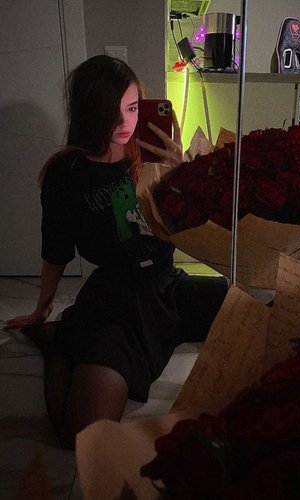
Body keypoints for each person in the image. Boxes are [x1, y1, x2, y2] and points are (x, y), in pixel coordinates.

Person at [4, 55, 228, 450]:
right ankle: (55, 343)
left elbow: (191, 227)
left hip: (166, 286)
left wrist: (183, 173)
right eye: (114, 111)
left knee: (250, 309)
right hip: (116, 302)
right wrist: (42, 306)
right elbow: (55, 246)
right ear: (90, 112)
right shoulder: (67, 172)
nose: (126, 123)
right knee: (81, 436)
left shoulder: (151, 154)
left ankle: (74, 340)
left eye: (133, 108)